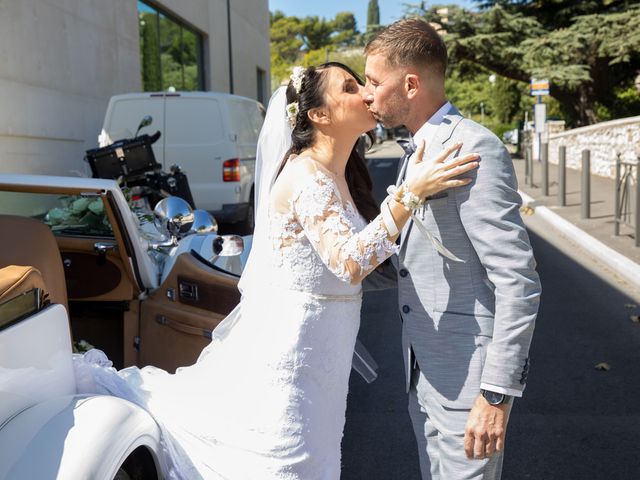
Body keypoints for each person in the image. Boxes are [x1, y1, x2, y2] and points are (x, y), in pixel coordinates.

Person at [74, 61, 479, 479]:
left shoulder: (337, 174)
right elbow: (349, 261)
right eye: (350, 86)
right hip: (293, 355)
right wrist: (411, 195)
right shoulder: (305, 174)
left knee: (315, 457)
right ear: (319, 115)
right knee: (283, 459)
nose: (367, 93)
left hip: (327, 357)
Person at [363, 19, 541, 480]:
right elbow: (411, 264)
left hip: (470, 381)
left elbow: (517, 280)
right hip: (423, 367)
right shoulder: (416, 149)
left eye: (374, 81)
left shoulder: (473, 146)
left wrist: (496, 393)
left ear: (410, 84)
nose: (368, 94)